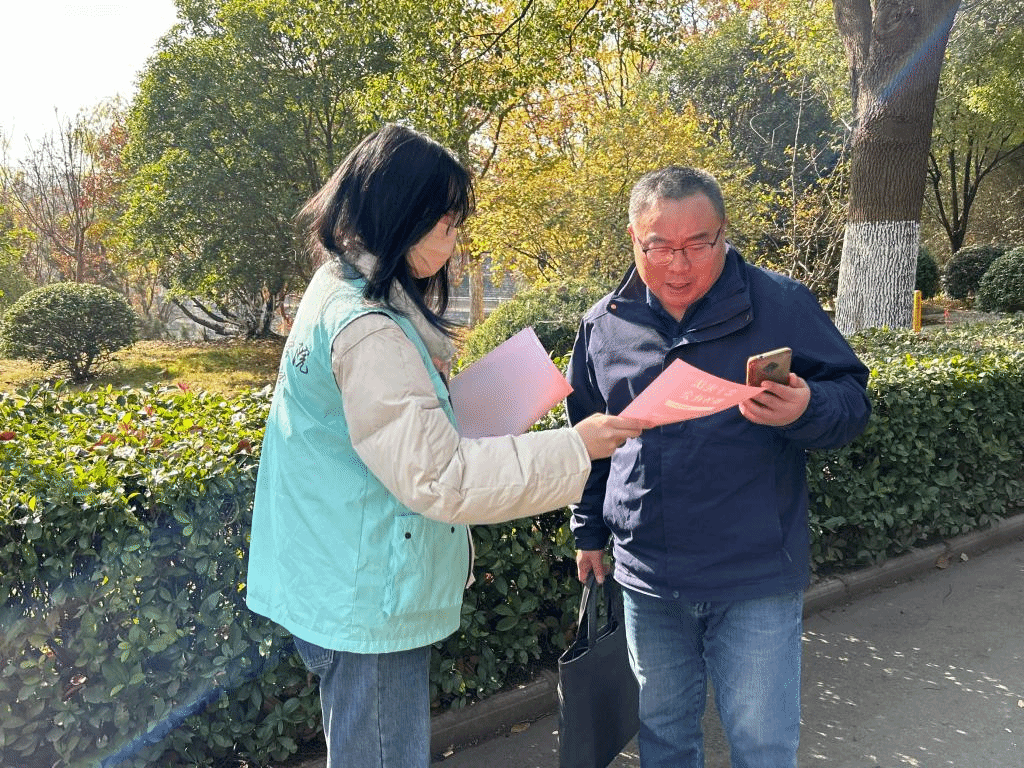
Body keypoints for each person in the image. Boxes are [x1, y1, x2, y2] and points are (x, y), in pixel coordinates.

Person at [244, 123, 642, 768]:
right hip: (366, 595)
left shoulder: (340, 287)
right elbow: (440, 477)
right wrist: (577, 448)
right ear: (402, 214)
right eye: (448, 222)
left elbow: (390, 431)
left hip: (342, 575)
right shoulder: (369, 329)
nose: (456, 239)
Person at [566, 166, 871, 768]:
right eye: (659, 246)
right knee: (664, 738)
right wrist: (589, 531)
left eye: (698, 245)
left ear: (724, 233)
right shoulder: (605, 326)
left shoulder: (779, 304)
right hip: (649, 575)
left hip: (753, 573)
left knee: (762, 744)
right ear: (633, 238)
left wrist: (807, 406)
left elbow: (853, 402)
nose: (679, 266)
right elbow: (588, 443)